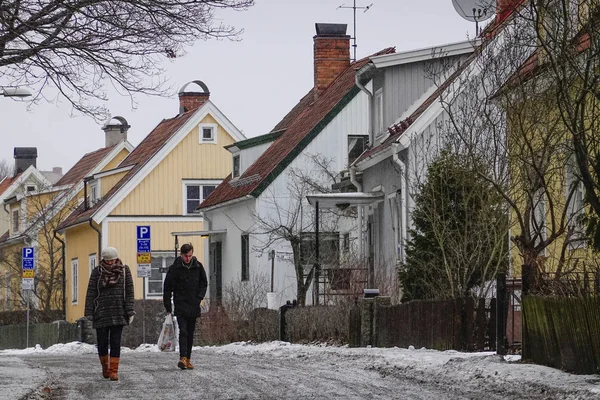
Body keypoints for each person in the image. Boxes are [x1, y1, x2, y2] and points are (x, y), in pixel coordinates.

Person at [85, 246, 135, 381]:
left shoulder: (124, 271)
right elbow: (91, 292)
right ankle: (105, 366)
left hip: (118, 312)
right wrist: (89, 312)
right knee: (102, 343)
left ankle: (113, 370)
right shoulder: (97, 273)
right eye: (108, 261)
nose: (111, 263)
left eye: (113, 260)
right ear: (104, 260)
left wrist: (130, 311)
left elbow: (129, 292)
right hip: (100, 312)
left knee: (115, 342)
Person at [163, 243, 208, 370]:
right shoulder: (175, 268)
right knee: (183, 331)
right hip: (181, 303)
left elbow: (204, 283)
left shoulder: (198, 267)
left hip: (193, 304)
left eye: (189, 256)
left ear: (192, 254)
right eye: (185, 256)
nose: (188, 258)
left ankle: (188, 358)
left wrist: (199, 297)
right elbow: (167, 288)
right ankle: (182, 357)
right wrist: (167, 305)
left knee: (190, 332)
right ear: (181, 255)